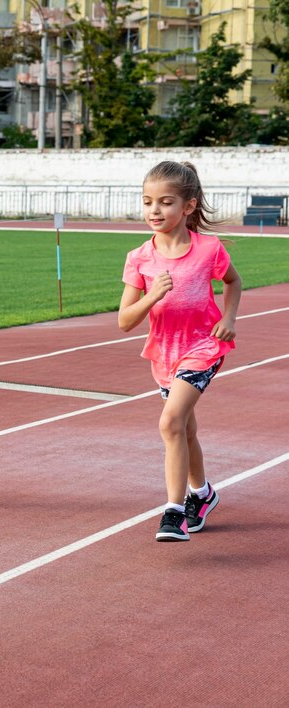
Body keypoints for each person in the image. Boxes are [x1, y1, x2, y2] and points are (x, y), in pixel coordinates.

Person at [118, 161, 241, 542]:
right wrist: (152, 295)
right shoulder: (139, 257)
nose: (154, 211)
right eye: (147, 202)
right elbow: (125, 320)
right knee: (184, 429)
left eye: (165, 202)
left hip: (204, 346)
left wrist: (230, 318)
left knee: (169, 423)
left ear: (188, 206)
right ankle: (202, 494)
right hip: (164, 354)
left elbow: (233, 282)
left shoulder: (208, 249)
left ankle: (174, 513)